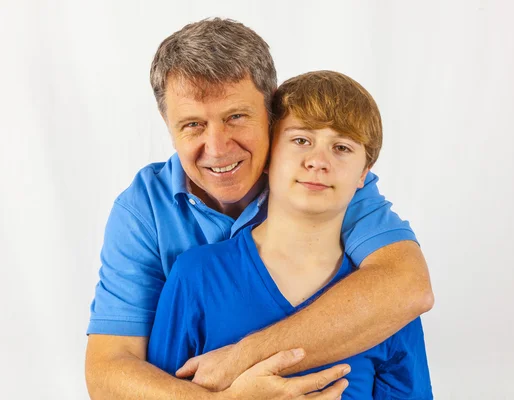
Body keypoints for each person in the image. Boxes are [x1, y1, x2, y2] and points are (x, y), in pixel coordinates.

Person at [85, 18, 434, 399]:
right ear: (168, 127)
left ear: (270, 114)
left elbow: (407, 287)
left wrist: (241, 359)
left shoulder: (327, 185)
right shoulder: (146, 214)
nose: (217, 148)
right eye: (192, 125)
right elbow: (109, 369)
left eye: (236, 117)